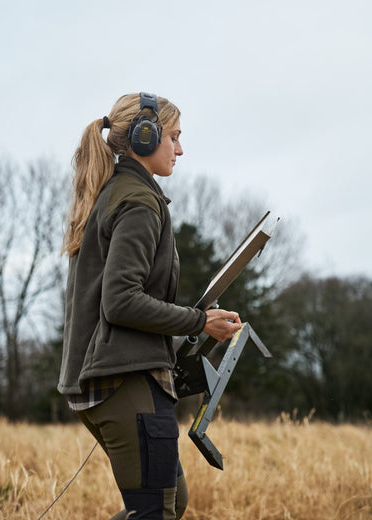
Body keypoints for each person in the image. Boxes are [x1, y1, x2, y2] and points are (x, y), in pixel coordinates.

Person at [58, 92, 242, 519]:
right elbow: (121, 301)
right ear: (145, 138)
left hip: (113, 381)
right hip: (124, 383)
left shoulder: (117, 192)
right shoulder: (138, 201)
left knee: (171, 504)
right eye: (174, 137)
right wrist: (199, 322)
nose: (180, 149)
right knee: (154, 513)